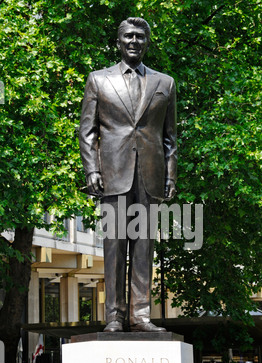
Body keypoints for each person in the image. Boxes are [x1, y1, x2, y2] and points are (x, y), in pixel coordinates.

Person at [79, 17, 177, 332]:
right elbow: (87, 132)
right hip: (112, 174)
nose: (134, 41)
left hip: (150, 175)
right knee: (114, 246)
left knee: (144, 246)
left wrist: (170, 176)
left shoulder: (165, 83)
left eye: (140, 37)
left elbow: (170, 137)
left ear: (147, 42)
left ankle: (141, 315)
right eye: (128, 36)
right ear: (119, 42)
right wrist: (91, 170)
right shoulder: (98, 80)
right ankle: (114, 317)